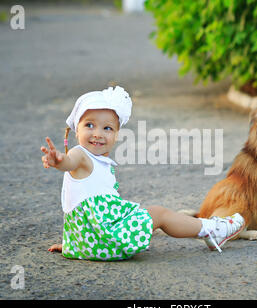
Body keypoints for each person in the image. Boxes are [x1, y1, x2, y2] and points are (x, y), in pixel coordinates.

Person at [40, 86, 245, 261]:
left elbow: (77, 206)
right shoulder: (80, 154)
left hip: (88, 242)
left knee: (144, 217)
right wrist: (59, 161)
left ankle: (207, 228)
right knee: (158, 214)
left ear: (117, 135)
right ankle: (211, 229)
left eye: (108, 128)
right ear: (76, 130)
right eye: (89, 125)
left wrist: (72, 244)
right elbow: (69, 162)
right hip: (107, 239)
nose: (98, 134)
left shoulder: (98, 160)